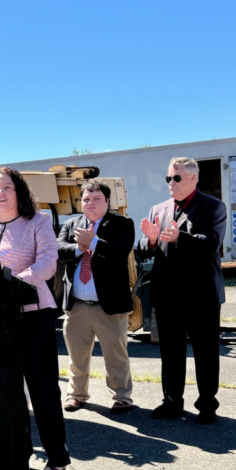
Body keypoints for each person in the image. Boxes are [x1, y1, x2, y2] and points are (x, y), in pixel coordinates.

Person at [0, 167, 70, 470]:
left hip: (32, 315)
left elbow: (48, 262)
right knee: (6, 391)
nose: (0, 193)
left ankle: (57, 457)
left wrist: (15, 283)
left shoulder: (38, 221)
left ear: (20, 192)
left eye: (6, 188)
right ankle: (17, 453)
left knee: (42, 389)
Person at [138, 157, 226, 425]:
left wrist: (181, 237)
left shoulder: (213, 207)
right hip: (167, 294)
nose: (171, 184)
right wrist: (151, 240)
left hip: (202, 295)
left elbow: (211, 243)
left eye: (176, 178)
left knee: (206, 352)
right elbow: (143, 247)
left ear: (192, 178)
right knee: (171, 353)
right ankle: (172, 401)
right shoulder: (159, 208)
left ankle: (207, 404)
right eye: (168, 178)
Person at [58, 180, 135, 414]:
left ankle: (122, 396)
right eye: (86, 199)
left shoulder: (122, 224)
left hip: (109, 305)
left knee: (116, 355)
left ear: (107, 201)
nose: (90, 203)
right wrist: (80, 249)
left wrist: (92, 242)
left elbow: (120, 251)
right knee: (76, 356)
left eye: (96, 199)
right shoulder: (72, 224)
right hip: (78, 306)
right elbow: (59, 248)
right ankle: (76, 395)